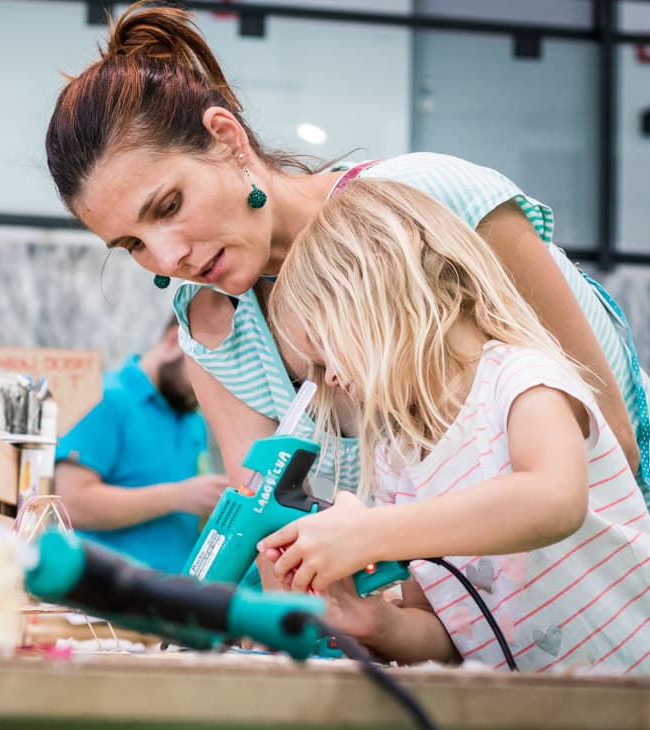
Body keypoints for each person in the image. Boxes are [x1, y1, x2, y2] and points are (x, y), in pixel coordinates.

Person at [44, 1, 650, 503]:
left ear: (227, 140)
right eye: (132, 245)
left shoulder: (433, 200)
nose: (167, 256)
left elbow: (611, 440)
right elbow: (269, 519)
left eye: (169, 205)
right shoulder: (212, 332)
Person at [253, 179, 650, 674]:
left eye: (324, 349)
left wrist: (370, 533)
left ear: (380, 294)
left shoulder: (521, 379)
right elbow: (452, 634)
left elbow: (553, 500)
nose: (330, 378)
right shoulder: (398, 455)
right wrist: (366, 620)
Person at [54, 317, 228, 573]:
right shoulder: (105, 396)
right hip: (103, 598)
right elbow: (70, 502)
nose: (212, 386)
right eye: (209, 370)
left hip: (170, 599)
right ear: (173, 342)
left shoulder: (192, 417)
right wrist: (178, 496)